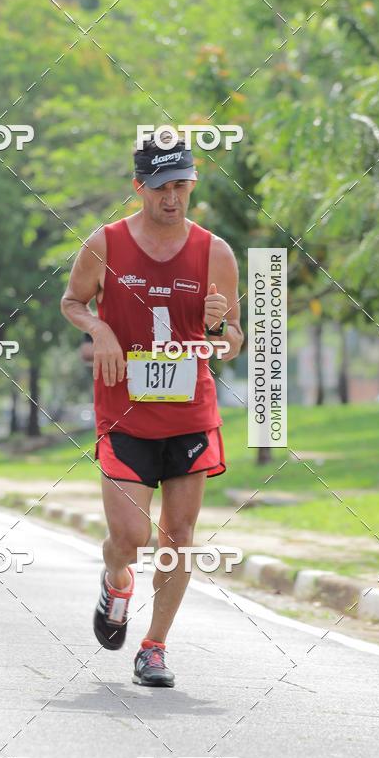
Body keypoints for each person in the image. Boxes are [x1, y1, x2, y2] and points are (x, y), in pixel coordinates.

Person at [61, 136, 243, 687]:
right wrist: (101, 329)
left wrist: (217, 327)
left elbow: (231, 341)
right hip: (124, 415)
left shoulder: (216, 252)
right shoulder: (106, 245)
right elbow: (72, 301)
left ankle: (154, 646)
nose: (172, 197)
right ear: (138, 187)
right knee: (130, 536)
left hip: (190, 414)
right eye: (161, 187)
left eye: (182, 186)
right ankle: (117, 583)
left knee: (179, 535)